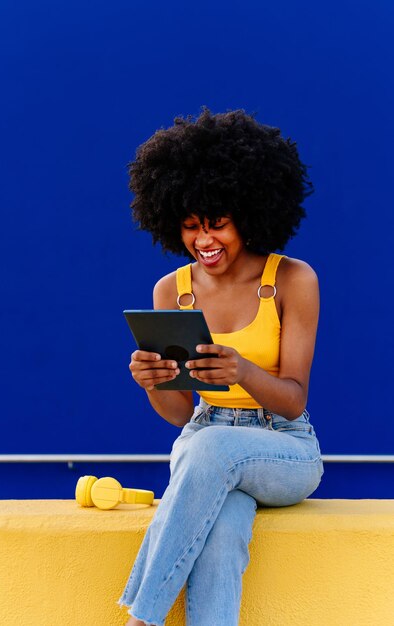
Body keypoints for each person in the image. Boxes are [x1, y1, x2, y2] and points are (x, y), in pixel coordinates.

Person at [118, 108, 324, 626]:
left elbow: (294, 397)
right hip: (205, 441)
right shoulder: (173, 291)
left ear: (249, 216)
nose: (204, 241)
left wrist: (242, 372)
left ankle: (142, 618)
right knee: (222, 535)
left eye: (218, 225)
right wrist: (152, 382)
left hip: (285, 447)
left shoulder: (294, 280)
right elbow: (178, 413)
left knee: (209, 450)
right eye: (191, 227)